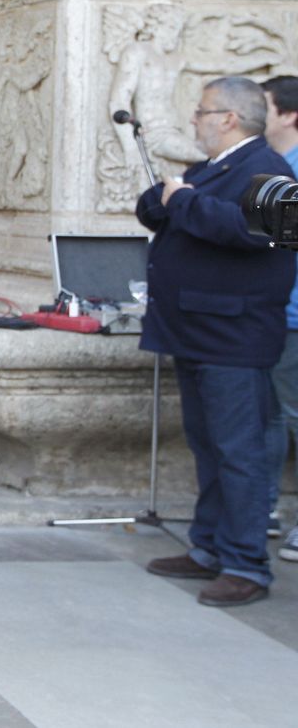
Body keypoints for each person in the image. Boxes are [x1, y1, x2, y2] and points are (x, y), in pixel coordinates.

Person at [138, 76, 295, 608]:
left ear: (229, 118)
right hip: (197, 333)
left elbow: (257, 232)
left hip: (235, 337)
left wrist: (184, 201)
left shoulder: (269, 169)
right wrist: (169, 198)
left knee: (239, 452)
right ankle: (208, 547)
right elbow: (158, 207)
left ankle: (246, 564)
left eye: (202, 111)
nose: (194, 119)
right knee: (208, 447)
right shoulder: (211, 168)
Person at [264, 75, 298, 563]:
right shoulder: (273, 167)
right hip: (272, 313)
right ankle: (262, 506)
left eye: (264, 106)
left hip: (293, 315)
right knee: (269, 415)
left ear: (289, 114)